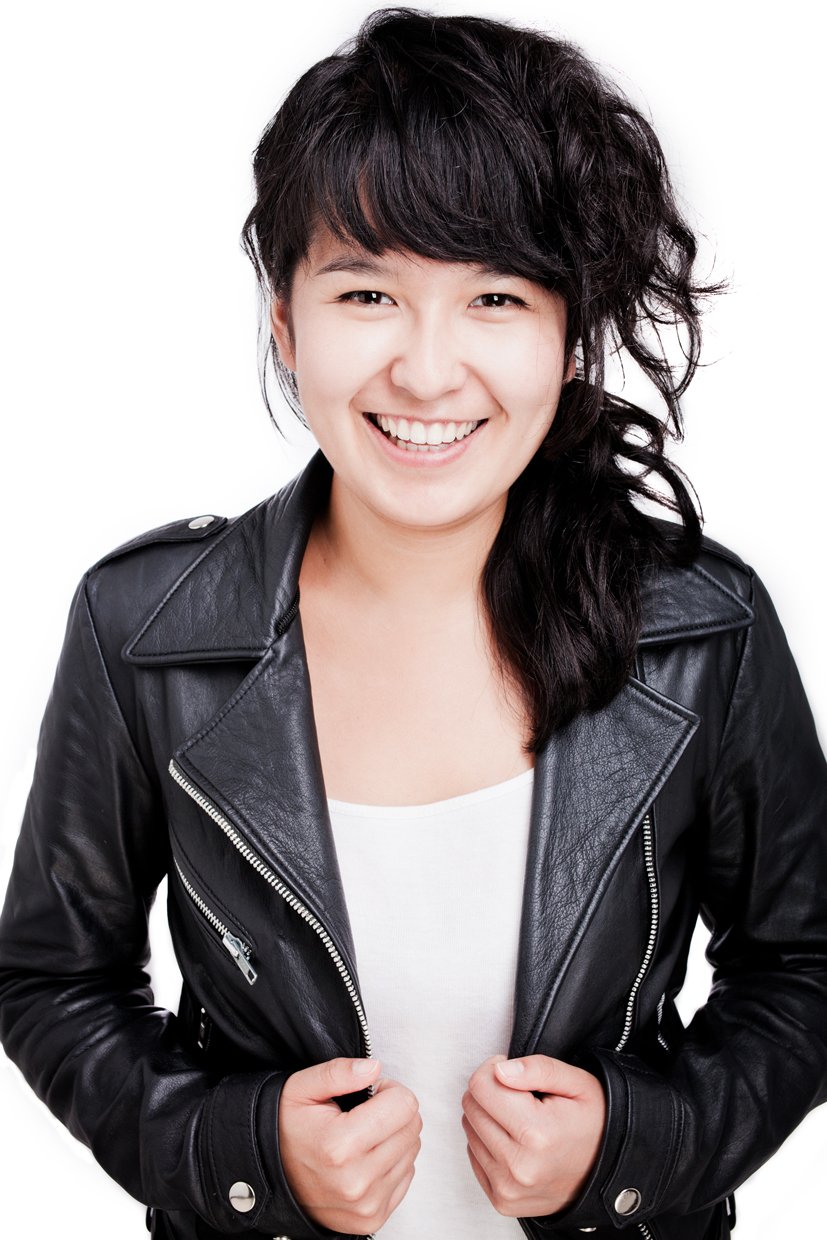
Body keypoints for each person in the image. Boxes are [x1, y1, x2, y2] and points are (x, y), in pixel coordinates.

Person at [1, 7, 825, 1240]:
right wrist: (241, 1150)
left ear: (565, 336)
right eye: (369, 290)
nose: (429, 372)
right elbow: (54, 979)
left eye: (494, 296)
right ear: (284, 319)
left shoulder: (700, 628)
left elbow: (801, 970)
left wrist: (632, 1145)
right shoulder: (144, 629)